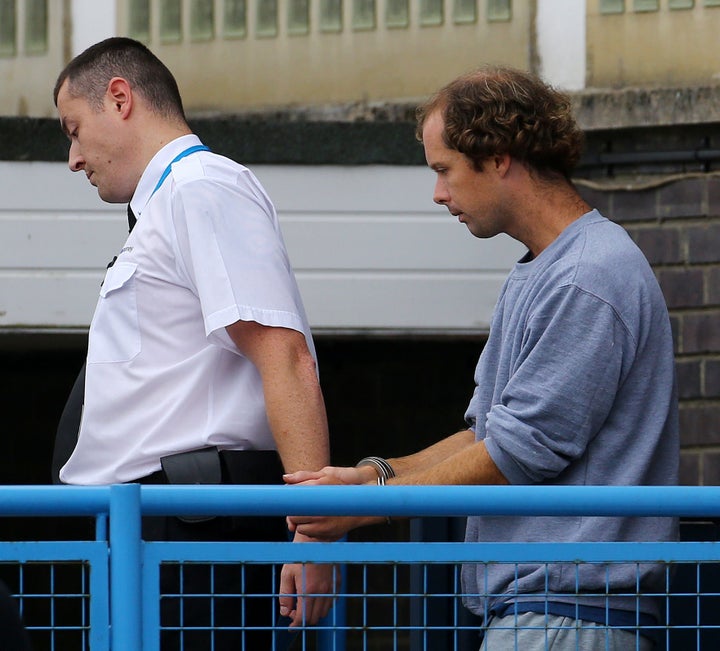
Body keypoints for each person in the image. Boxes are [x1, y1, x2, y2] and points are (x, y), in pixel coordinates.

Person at [285, 66, 679, 650]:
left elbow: (517, 452)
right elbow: (489, 437)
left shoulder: (586, 276)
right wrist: (372, 475)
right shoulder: (551, 269)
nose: (438, 194)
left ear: (498, 156)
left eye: (444, 170)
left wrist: (363, 506)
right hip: (552, 614)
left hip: (567, 616)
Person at [52, 36, 334, 648]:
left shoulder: (200, 188)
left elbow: (284, 356)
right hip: (156, 532)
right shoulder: (173, 200)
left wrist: (312, 533)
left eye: (74, 129)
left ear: (119, 99)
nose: (73, 157)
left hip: (192, 533)